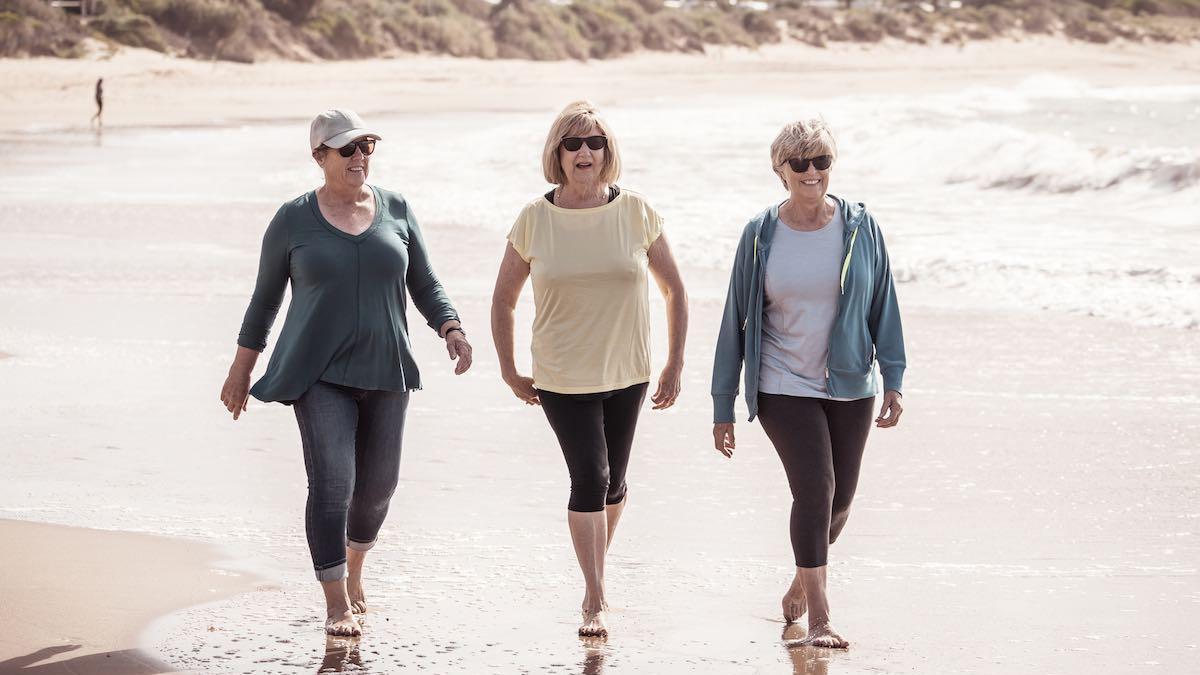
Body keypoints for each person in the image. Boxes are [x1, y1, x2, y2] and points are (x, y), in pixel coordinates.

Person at [219, 109, 473, 636]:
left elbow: (424, 282)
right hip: (319, 375)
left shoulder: (396, 207)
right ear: (320, 158)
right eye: (347, 149)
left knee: (378, 488)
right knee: (333, 483)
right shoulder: (292, 220)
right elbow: (264, 301)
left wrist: (451, 327)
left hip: (387, 369)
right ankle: (335, 600)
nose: (360, 157)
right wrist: (241, 371)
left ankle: (355, 570)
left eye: (367, 147)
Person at [491, 101, 688, 639]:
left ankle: (593, 569)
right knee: (591, 478)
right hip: (561, 375)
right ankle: (596, 596)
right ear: (558, 153)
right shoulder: (535, 217)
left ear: (608, 151)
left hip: (628, 372)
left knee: (616, 485)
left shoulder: (637, 211)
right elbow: (504, 299)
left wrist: (673, 364)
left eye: (594, 142)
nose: (584, 152)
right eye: (573, 143)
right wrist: (509, 369)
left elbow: (674, 290)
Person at [710, 117, 906, 649]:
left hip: (850, 382)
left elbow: (883, 303)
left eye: (821, 161)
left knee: (841, 499)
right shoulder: (761, 234)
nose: (811, 171)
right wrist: (722, 403)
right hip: (781, 382)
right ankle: (820, 616)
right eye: (799, 162)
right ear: (780, 169)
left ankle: (802, 577)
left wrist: (895, 376)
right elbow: (735, 319)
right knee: (815, 489)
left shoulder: (861, 228)